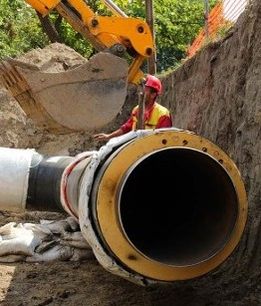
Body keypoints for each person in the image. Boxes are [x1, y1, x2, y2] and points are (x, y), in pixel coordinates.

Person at [94, 75, 172, 141]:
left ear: (153, 95)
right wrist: (108, 136)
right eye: (141, 88)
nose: (141, 91)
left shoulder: (162, 114)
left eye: (145, 89)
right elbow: (126, 128)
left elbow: (164, 140)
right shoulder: (136, 110)